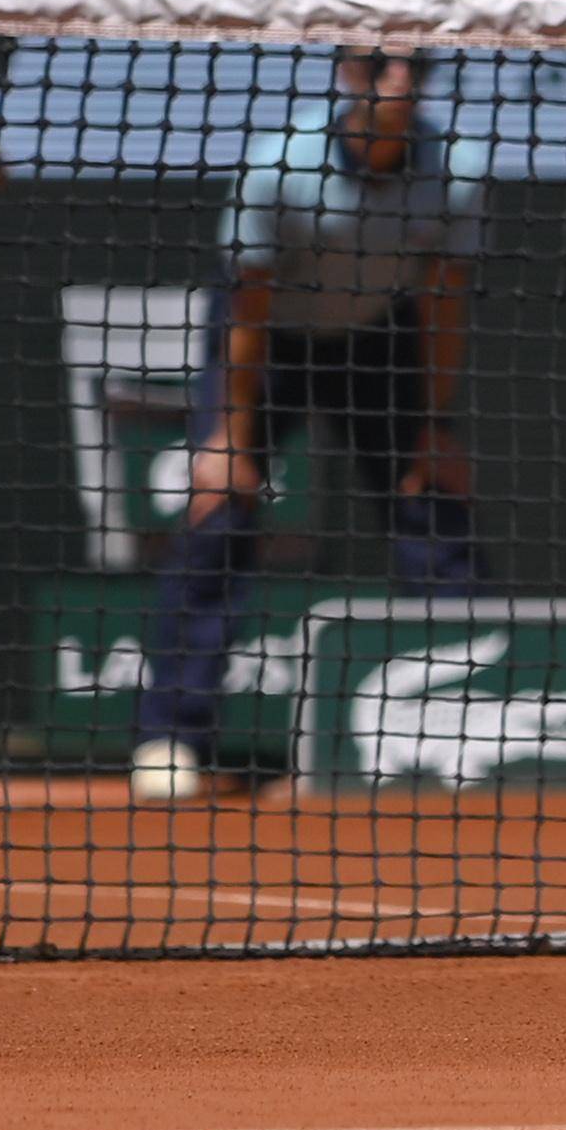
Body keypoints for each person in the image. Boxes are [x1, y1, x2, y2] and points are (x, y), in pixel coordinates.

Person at [125, 45, 489, 803]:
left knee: (434, 508)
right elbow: (247, 309)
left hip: (378, 342)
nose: (401, 79)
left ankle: (466, 721)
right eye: (383, 64)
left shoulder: (455, 172)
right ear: (348, 75)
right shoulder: (278, 167)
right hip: (272, 343)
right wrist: (227, 435)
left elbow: (443, 305)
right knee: (219, 518)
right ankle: (171, 739)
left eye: (416, 67)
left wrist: (434, 423)